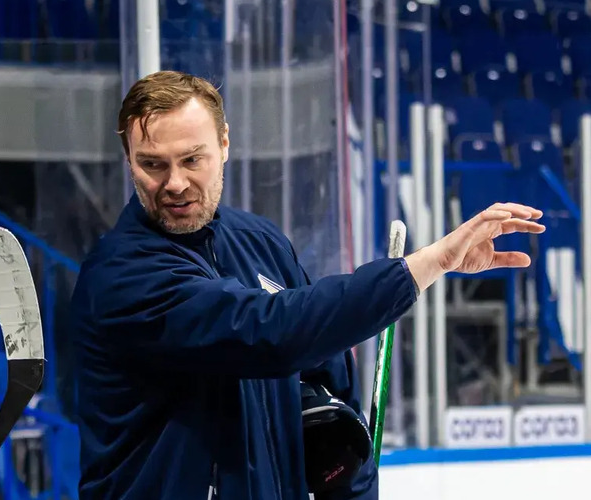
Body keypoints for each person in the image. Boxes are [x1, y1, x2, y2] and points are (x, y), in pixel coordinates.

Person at [70, 70, 545, 499]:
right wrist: (427, 264)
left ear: (225, 144)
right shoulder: (121, 276)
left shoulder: (260, 242)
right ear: (129, 160)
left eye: (192, 159)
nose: (175, 183)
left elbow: (331, 392)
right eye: (153, 165)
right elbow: (272, 332)